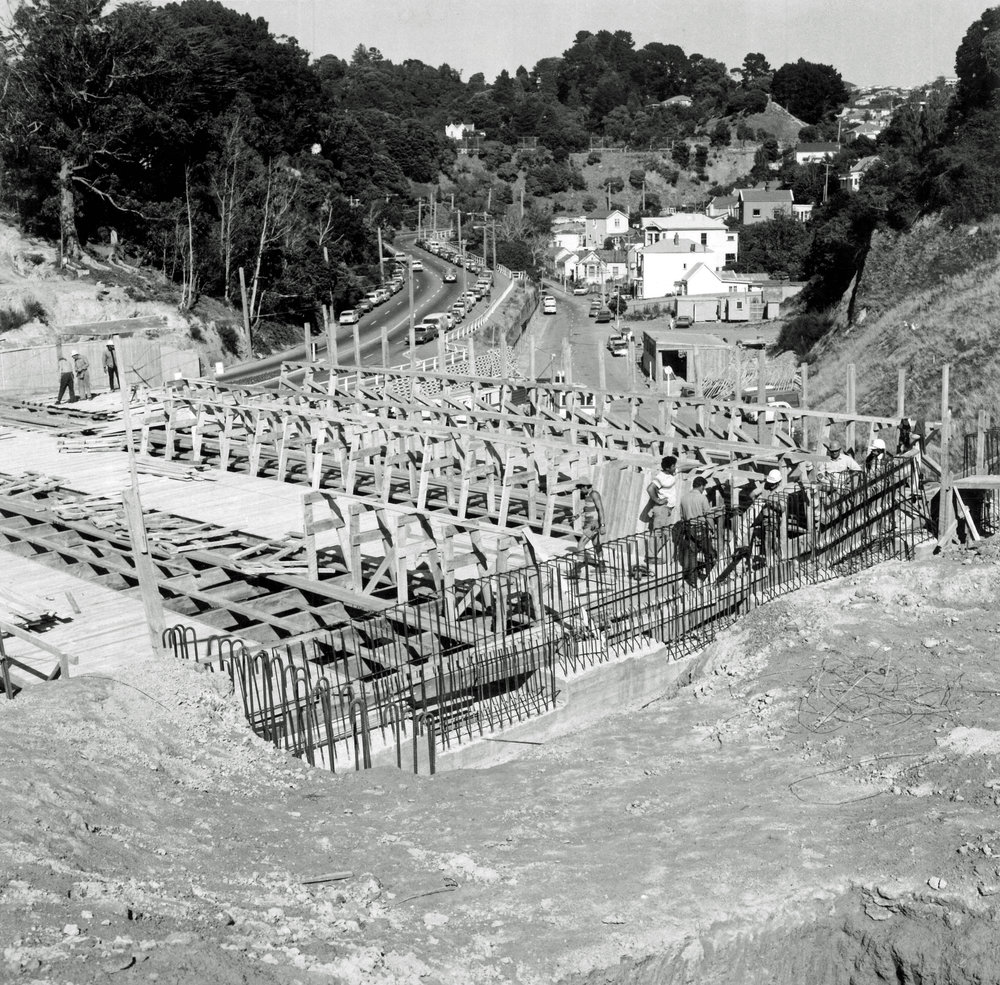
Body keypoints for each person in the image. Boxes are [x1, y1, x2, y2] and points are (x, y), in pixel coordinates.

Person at [634, 455, 677, 576]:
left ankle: (652, 555)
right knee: (657, 534)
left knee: (665, 534)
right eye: (674, 466)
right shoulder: (660, 477)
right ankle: (651, 557)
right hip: (661, 509)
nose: (675, 468)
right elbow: (650, 488)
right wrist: (657, 500)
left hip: (666, 510)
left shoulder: (670, 473)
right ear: (668, 468)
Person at [678, 475, 717, 585]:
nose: (703, 490)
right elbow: (708, 515)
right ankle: (711, 578)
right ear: (700, 486)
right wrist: (713, 528)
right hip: (701, 529)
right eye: (703, 487)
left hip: (689, 529)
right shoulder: (702, 498)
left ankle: (693, 580)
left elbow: (682, 516)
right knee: (709, 554)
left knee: (692, 556)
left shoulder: (683, 498)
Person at [572, 479, 606, 574]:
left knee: (581, 544)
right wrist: (577, 516)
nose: (580, 490)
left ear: (586, 486)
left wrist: (602, 525)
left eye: (581, 488)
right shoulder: (588, 495)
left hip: (592, 525)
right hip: (589, 523)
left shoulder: (594, 494)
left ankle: (577, 569)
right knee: (596, 545)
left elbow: (600, 510)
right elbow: (586, 507)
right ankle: (602, 565)